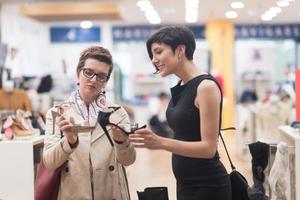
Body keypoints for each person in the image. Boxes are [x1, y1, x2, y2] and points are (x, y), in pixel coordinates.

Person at [130, 26, 231, 200]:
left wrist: (160, 142)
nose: (154, 60)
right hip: (185, 183)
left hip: (208, 185)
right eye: (152, 55)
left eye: (158, 52)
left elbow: (208, 148)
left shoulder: (205, 87)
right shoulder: (182, 85)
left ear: (180, 50)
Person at [43, 46, 136, 199]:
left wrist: (121, 141)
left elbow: (128, 160)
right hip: (73, 193)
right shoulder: (57, 113)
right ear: (78, 72)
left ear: (106, 81)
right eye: (88, 72)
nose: (93, 80)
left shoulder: (117, 113)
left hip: (111, 192)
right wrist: (69, 142)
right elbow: (50, 163)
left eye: (101, 76)